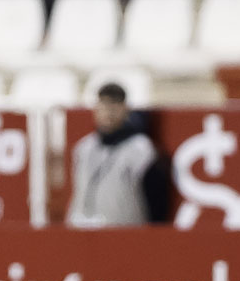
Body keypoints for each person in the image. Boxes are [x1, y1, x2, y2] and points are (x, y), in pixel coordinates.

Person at [66, 83, 171, 228]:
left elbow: (157, 201)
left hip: (125, 235)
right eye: (104, 106)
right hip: (83, 234)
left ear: (125, 109)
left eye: (114, 107)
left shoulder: (142, 150)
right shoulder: (84, 148)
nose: (109, 113)